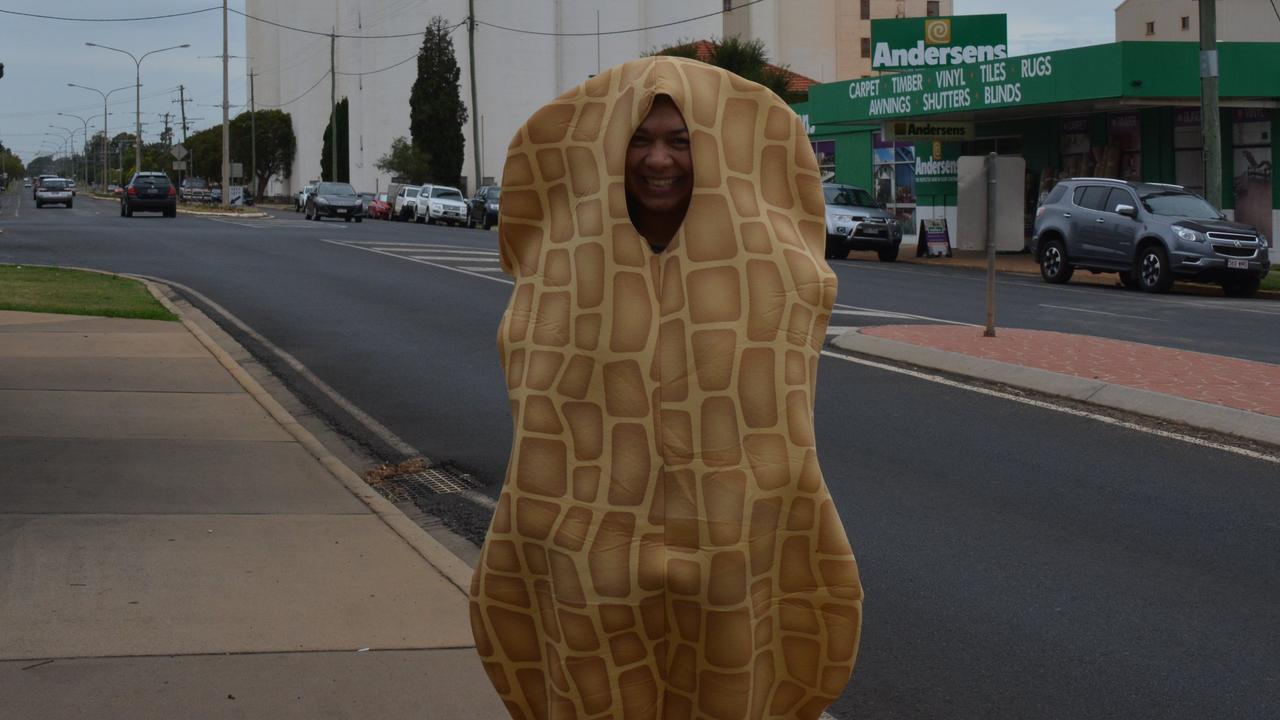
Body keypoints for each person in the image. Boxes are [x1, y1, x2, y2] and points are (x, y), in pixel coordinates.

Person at [470, 56, 863, 720]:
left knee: (725, 688)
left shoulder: (765, 274)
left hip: (727, 545)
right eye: (640, 140)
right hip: (590, 553)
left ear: (712, 150)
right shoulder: (565, 273)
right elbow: (541, 422)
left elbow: (781, 427)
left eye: (680, 141)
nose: (659, 160)